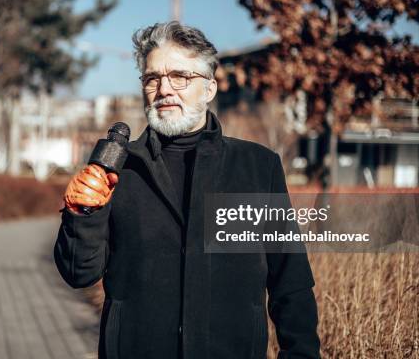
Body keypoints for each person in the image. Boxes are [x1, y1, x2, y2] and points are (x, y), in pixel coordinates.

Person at [54, 21, 320, 359]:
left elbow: (291, 284)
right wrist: (83, 215)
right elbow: (78, 273)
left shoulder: (257, 167)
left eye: (180, 76)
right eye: (152, 78)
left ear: (209, 88)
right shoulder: (120, 169)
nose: (164, 89)